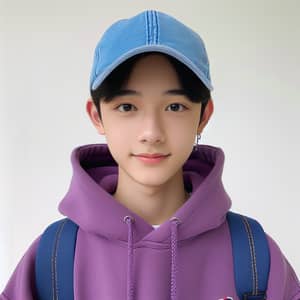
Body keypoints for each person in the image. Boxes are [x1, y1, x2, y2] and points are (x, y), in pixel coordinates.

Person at [1, 9, 299, 300]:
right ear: (97, 116)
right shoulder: (51, 260)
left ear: (203, 115)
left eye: (174, 107)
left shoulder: (255, 256)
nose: (151, 132)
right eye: (127, 107)